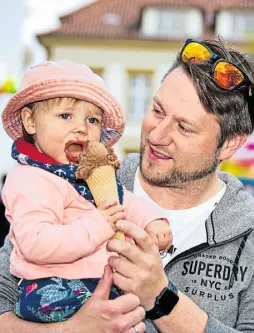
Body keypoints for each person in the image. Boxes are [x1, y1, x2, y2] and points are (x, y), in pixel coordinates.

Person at [0, 37, 254, 333]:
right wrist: (69, 330)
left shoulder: (247, 231)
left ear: (229, 145)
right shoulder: (72, 178)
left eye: (184, 127)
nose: (157, 135)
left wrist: (162, 300)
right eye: (157, 111)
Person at [0, 61, 171, 325]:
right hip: (50, 286)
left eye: (92, 120)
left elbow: (123, 200)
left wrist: (152, 220)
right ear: (30, 121)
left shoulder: (91, 173)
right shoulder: (29, 179)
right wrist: (98, 224)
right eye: (66, 116)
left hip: (99, 282)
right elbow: (36, 243)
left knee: (131, 305)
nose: (82, 128)